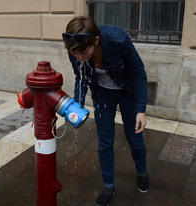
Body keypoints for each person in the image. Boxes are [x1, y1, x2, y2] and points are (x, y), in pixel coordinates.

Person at [62, 16, 149, 206]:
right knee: (105, 142)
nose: (79, 57)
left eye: (83, 52)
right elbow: (81, 77)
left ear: (96, 40)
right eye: (74, 53)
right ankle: (109, 186)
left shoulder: (118, 40)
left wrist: (140, 109)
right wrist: (75, 109)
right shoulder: (75, 48)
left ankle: (141, 170)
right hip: (103, 93)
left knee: (134, 137)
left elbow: (138, 71)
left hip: (128, 92)